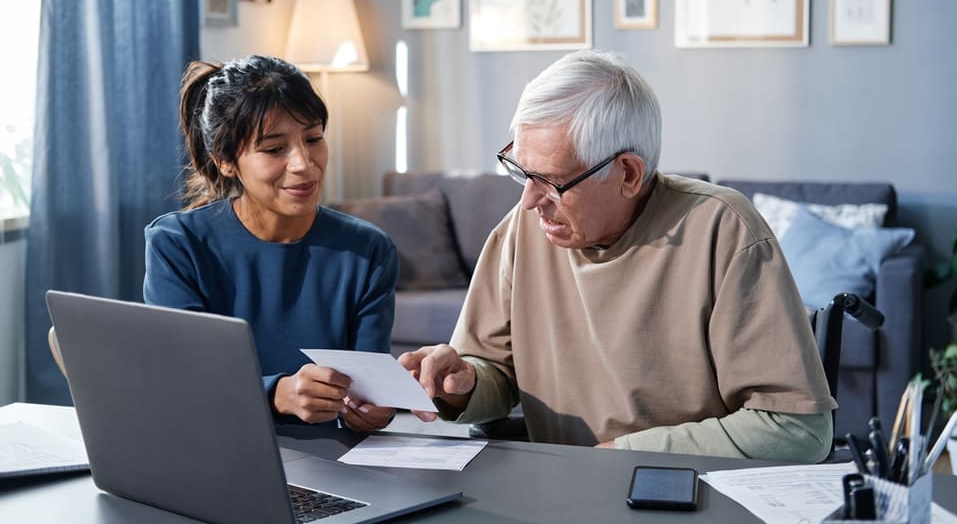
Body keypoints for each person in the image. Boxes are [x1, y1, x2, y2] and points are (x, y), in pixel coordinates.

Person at [400, 49, 836, 461]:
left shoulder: (723, 230)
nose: (530, 201)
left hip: (687, 494)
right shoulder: (524, 226)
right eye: (520, 170)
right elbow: (496, 371)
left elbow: (796, 429)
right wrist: (465, 383)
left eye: (551, 181)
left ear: (628, 173)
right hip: (560, 493)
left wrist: (624, 456)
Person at [143, 54, 398, 431]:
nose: (304, 163)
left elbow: (369, 397)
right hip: (213, 450)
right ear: (226, 161)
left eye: (313, 139)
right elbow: (184, 381)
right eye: (274, 149)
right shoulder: (178, 244)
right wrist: (277, 393)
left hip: (330, 469)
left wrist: (375, 411)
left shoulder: (368, 250)